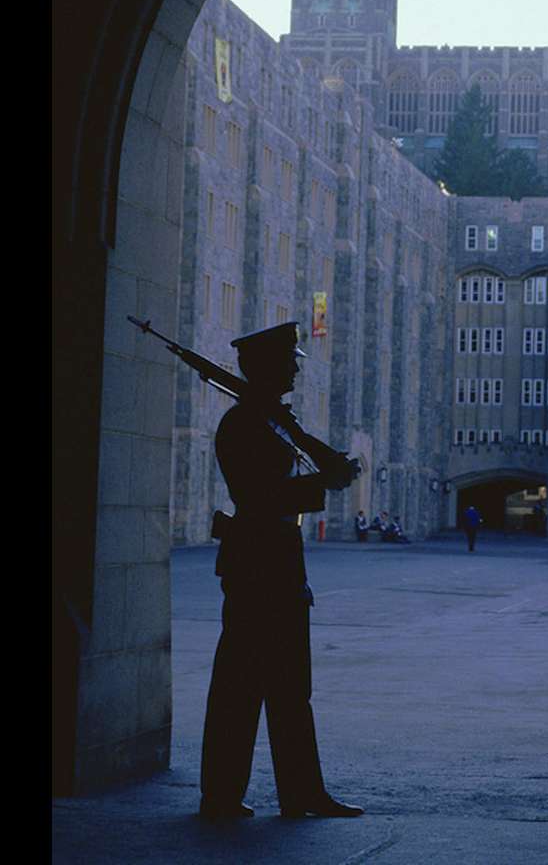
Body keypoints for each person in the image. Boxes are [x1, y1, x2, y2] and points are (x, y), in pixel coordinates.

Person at [199, 322, 365, 821]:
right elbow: (256, 496)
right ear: (265, 367)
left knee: (291, 689)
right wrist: (324, 482)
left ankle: (300, 793)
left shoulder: (268, 420)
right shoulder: (244, 425)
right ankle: (223, 795)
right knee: (241, 687)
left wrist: (321, 472)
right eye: (288, 360)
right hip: (257, 567)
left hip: (278, 563)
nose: (296, 366)